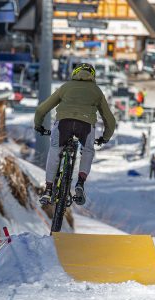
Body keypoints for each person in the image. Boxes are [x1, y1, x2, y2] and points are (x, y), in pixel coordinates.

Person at [34, 63, 116, 206]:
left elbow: (42, 109)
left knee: (54, 150)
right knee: (88, 150)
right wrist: (105, 137)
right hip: (86, 125)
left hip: (63, 124)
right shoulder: (96, 91)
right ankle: (80, 182)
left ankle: (48, 189)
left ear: (75, 73)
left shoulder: (66, 87)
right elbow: (110, 120)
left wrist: (38, 125)